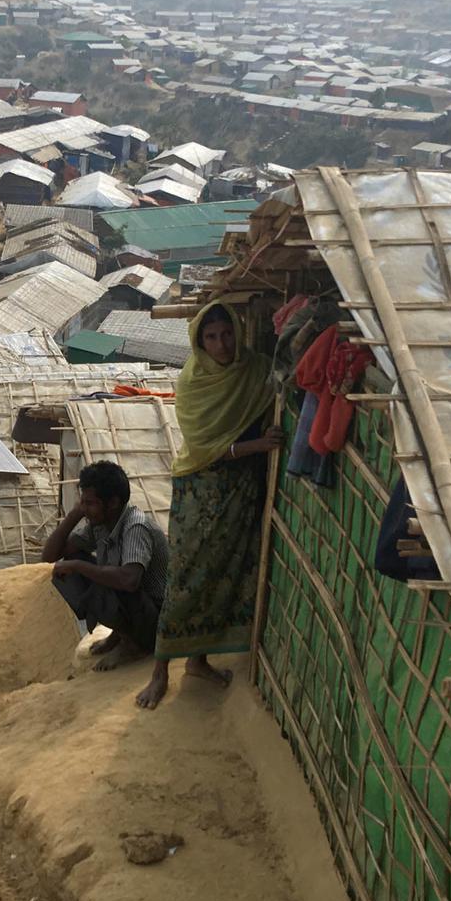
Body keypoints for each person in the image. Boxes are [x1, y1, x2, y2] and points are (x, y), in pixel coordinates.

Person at [136, 299, 280, 710]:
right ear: (199, 342)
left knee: (225, 574)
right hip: (199, 490)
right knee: (186, 576)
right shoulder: (193, 384)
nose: (221, 344)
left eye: (227, 333)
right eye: (212, 337)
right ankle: (160, 671)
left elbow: (276, 393)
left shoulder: (255, 371)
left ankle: (198, 661)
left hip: (240, 489)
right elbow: (202, 445)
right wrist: (256, 445)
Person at [43, 461, 167, 671]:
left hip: (158, 620)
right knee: (70, 566)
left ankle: (134, 644)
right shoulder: (100, 526)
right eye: (83, 502)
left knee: (111, 576)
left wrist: (80, 566)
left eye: (89, 503)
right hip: (139, 608)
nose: (85, 508)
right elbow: (50, 556)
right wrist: (74, 514)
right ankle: (120, 634)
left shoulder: (135, 526)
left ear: (112, 503)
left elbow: (129, 580)